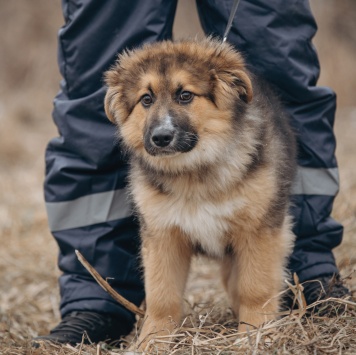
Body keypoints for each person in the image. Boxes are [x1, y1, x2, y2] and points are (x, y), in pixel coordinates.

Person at [34, 0, 350, 346]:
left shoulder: (243, 130)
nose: (162, 126)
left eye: (185, 96)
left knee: (280, 59)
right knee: (97, 56)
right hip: (158, 188)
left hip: (251, 187)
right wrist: (161, 315)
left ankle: (304, 272)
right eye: (145, 100)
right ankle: (96, 297)